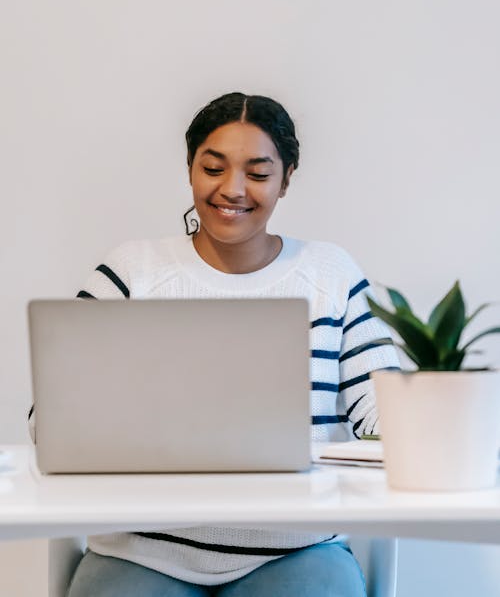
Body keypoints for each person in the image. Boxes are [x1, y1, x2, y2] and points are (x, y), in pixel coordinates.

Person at [65, 92, 400, 597]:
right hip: (144, 549)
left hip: (297, 548)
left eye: (259, 174)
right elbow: (57, 409)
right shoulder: (134, 270)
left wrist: (428, 425)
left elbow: (383, 408)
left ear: (287, 180)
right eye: (213, 168)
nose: (233, 189)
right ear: (190, 169)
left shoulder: (329, 274)